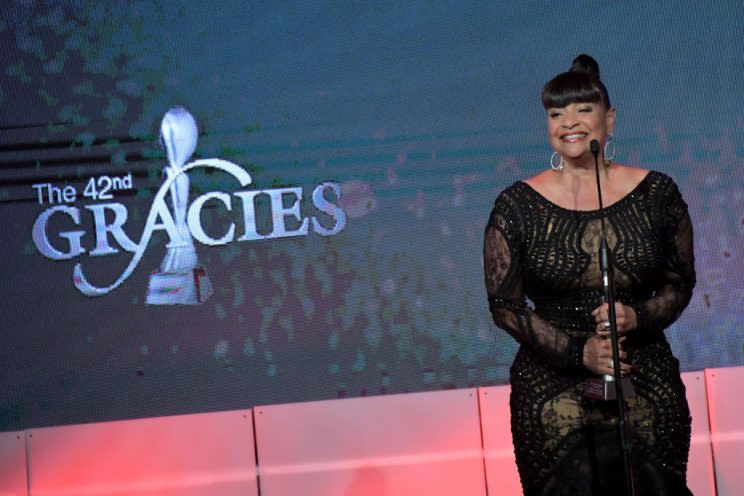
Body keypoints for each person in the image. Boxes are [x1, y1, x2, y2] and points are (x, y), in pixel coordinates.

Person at [483, 54, 695, 495]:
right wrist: (579, 352)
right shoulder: (518, 205)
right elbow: (504, 306)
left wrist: (635, 317)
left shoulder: (656, 192)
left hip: (642, 370)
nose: (568, 122)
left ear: (609, 119)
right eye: (556, 113)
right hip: (552, 381)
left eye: (582, 109)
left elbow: (680, 283)